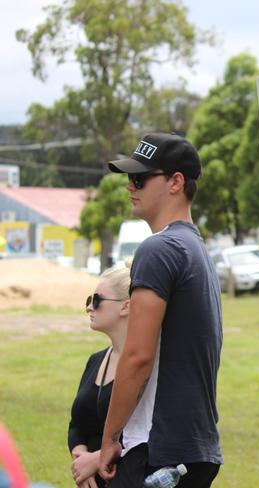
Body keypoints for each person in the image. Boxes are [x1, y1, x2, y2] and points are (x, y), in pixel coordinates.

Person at [98, 133, 223, 487]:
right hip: (194, 446)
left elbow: (137, 356)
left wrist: (110, 438)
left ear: (175, 182)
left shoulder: (159, 248)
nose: (130, 186)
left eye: (139, 178)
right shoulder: (195, 249)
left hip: (159, 447)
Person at [68, 267, 130, 488]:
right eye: (89, 299)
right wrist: (81, 459)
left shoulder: (146, 366)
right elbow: (77, 424)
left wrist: (98, 459)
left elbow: (147, 433)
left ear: (126, 306)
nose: (88, 307)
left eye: (97, 300)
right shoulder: (96, 360)